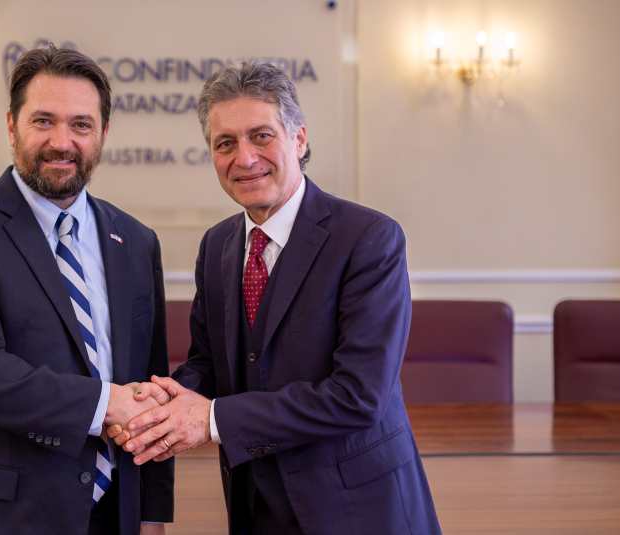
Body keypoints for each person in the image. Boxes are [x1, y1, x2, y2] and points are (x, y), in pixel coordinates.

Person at [113, 62, 442, 534]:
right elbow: (210, 364)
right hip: (254, 507)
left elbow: (357, 396)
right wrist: (163, 403)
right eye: (225, 143)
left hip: (358, 511)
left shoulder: (369, 238)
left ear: (299, 139)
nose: (244, 158)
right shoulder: (218, 245)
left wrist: (210, 419)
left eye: (261, 136)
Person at [0, 45, 173, 535]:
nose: (62, 142)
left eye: (81, 124)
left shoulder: (136, 241)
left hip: (111, 515)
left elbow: (151, 381)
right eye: (43, 121)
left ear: (103, 133)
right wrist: (106, 403)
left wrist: (151, 513)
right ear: (11, 126)